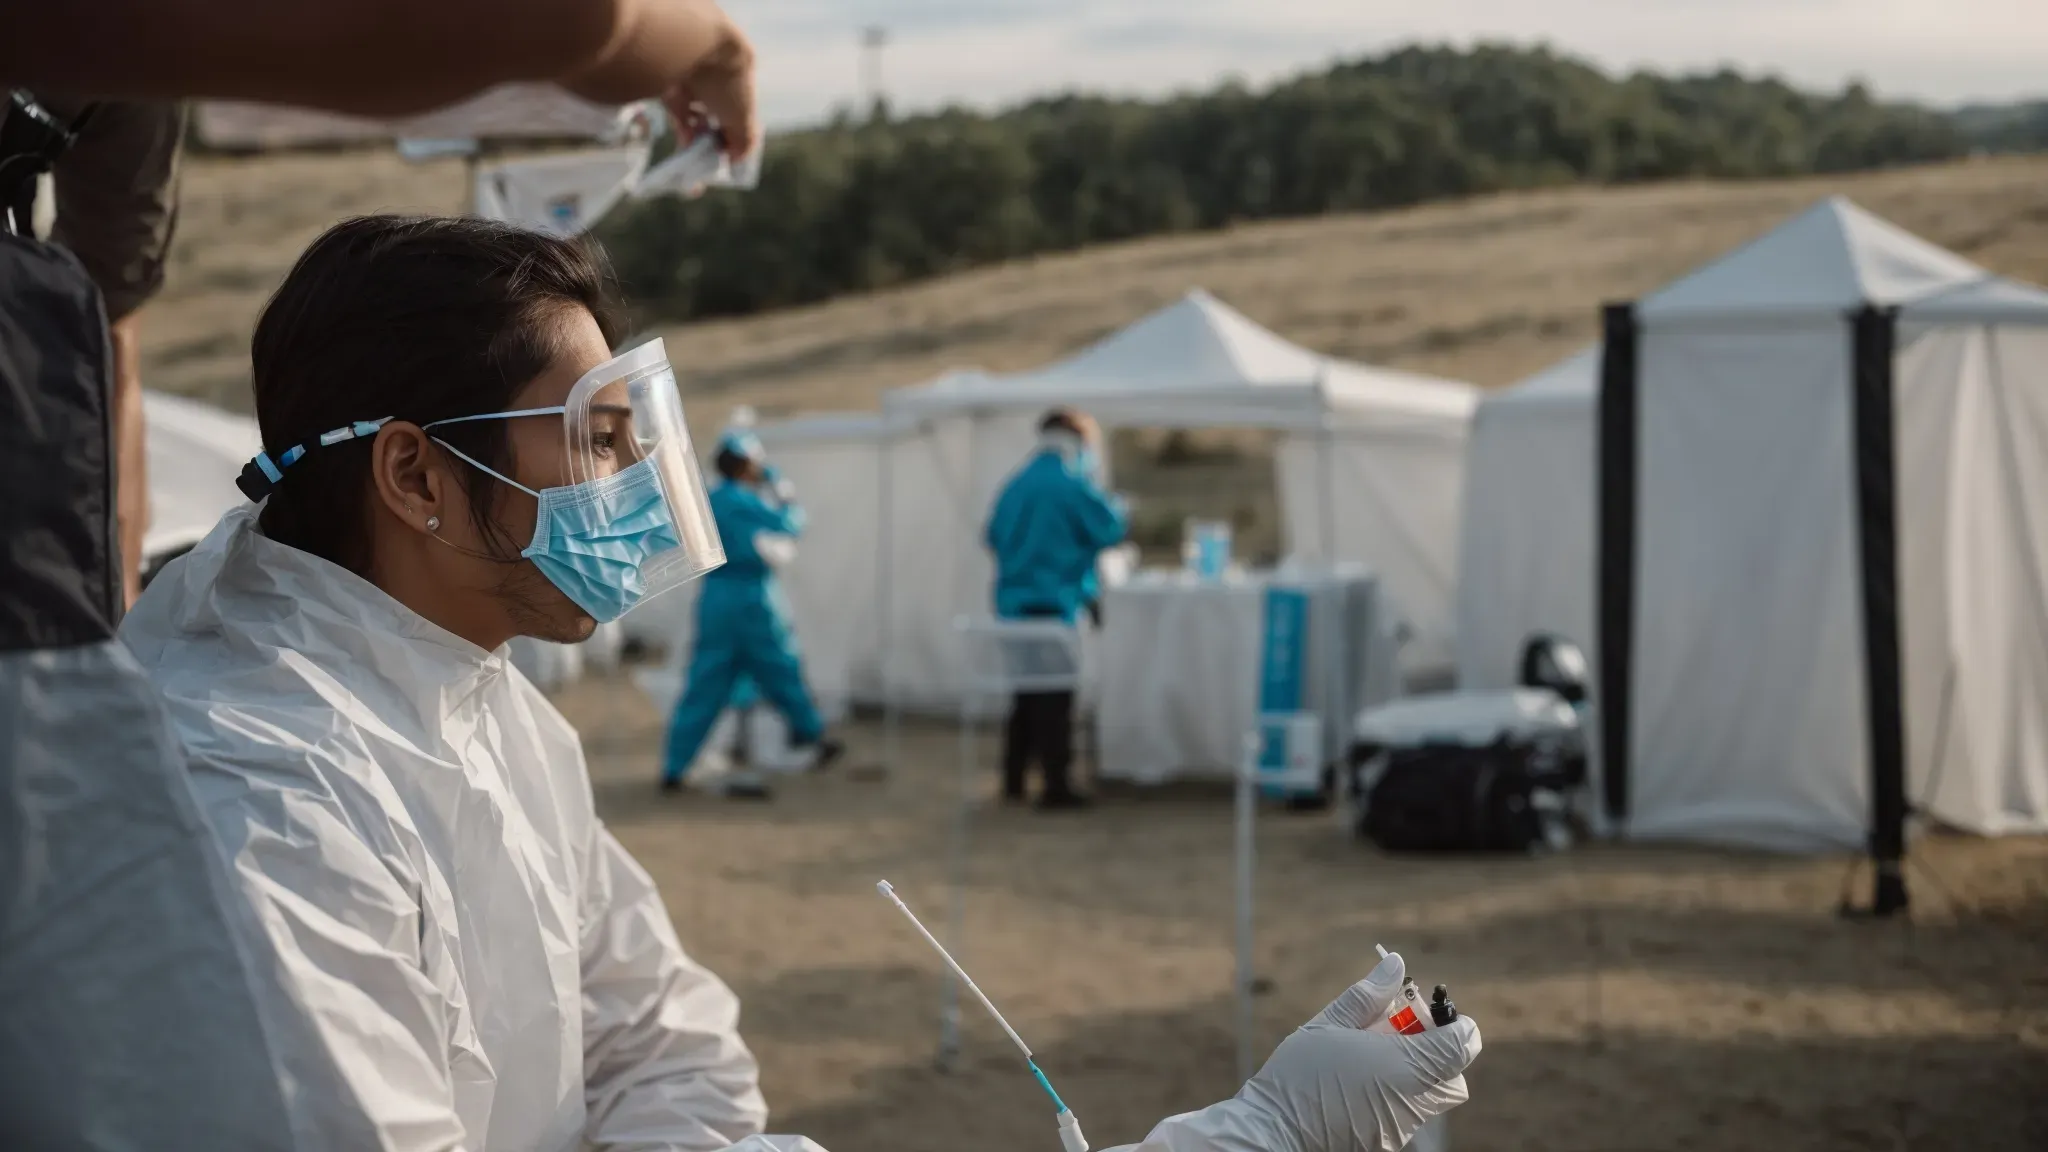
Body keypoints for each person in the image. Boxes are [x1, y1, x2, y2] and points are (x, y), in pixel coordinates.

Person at [1, 4, 766, 1147]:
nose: (638, 487)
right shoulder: (259, 791)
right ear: (415, 474)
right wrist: (703, 46)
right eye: (598, 439)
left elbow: (665, 1046)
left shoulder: (484, 700)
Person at [661, 426, 842, 797]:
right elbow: (792, 524)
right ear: (746, 466)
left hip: (715, 596)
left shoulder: (711, 499)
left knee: (704, 683)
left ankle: (675, 766)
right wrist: (782, 488)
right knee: (781, 668)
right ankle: (813, 736)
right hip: (752, 597)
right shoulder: (743, 501)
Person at [983, 408, 1129, 810]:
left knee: (1026, 694)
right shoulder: (1070, 484)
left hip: (1012, 605)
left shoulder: (1016, 483)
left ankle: (1014, 779)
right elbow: (1110, 528)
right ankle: (1055, 785)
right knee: (1055, 696)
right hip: (1053, 603)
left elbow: (992, 535)